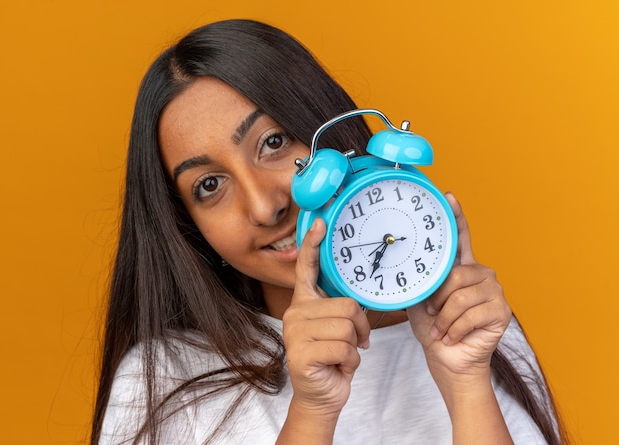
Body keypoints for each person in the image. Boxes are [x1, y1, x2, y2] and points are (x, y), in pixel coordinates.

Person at [91, 19, 569, 444]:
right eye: (210, 185)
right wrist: (313, 411)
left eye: (273, 143)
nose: (264, 205)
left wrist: (466, 382)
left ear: (325, 127)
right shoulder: (166, 380)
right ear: (187, 224)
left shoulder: (476, 331)